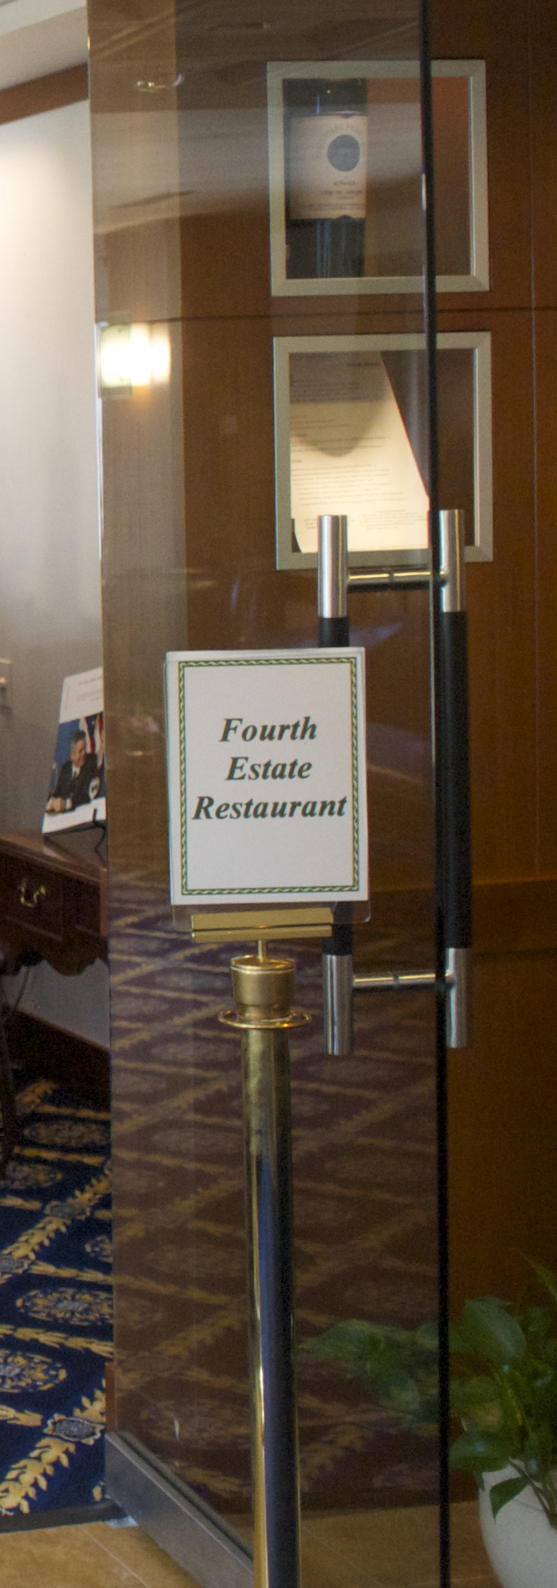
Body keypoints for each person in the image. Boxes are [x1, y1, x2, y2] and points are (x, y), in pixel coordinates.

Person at [45, 729, 99, 814]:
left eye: (85, 749)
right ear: (72, 755)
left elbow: (88, 795)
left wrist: (66, 803)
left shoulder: (91, 761)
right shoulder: (66, 768)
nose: (84, 753)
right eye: (80, 751)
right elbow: (57, 793)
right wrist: (52, 802)